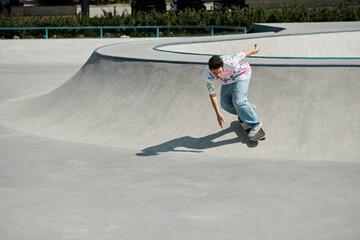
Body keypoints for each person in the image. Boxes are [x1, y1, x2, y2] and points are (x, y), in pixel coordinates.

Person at [203, 44, 263, 138]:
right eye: (215, 73)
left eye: (220, 71)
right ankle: (248, 109)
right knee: (225, 104)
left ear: (223, 66)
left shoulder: (231, 61)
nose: (218, 75)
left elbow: (244, 53)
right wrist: (218, 114)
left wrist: (255, 50)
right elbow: (212, 94)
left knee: (238, 101)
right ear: (210, 69)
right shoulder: (207, 74)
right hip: (227, 80)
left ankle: (256, 124)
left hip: (242, 73)